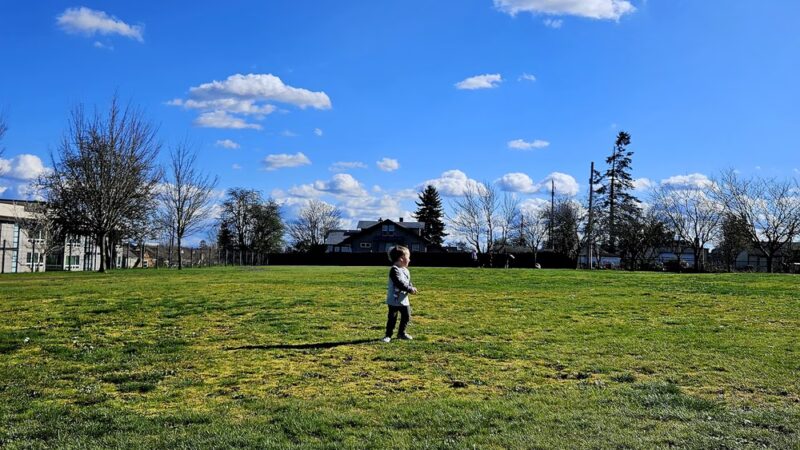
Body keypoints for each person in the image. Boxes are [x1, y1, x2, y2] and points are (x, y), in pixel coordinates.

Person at [383, 245, 417, 343]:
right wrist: (409, 289)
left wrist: (411, 286)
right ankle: (388, 335)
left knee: (406, 316)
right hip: (394, 300)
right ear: (401, 258)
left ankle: (401, 333)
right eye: (408, 257)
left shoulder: (406, 270)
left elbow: (407, 282)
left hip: (404, 300)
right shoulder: (394, 270)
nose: (409, 260)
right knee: (392, 318)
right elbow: (399, 283)